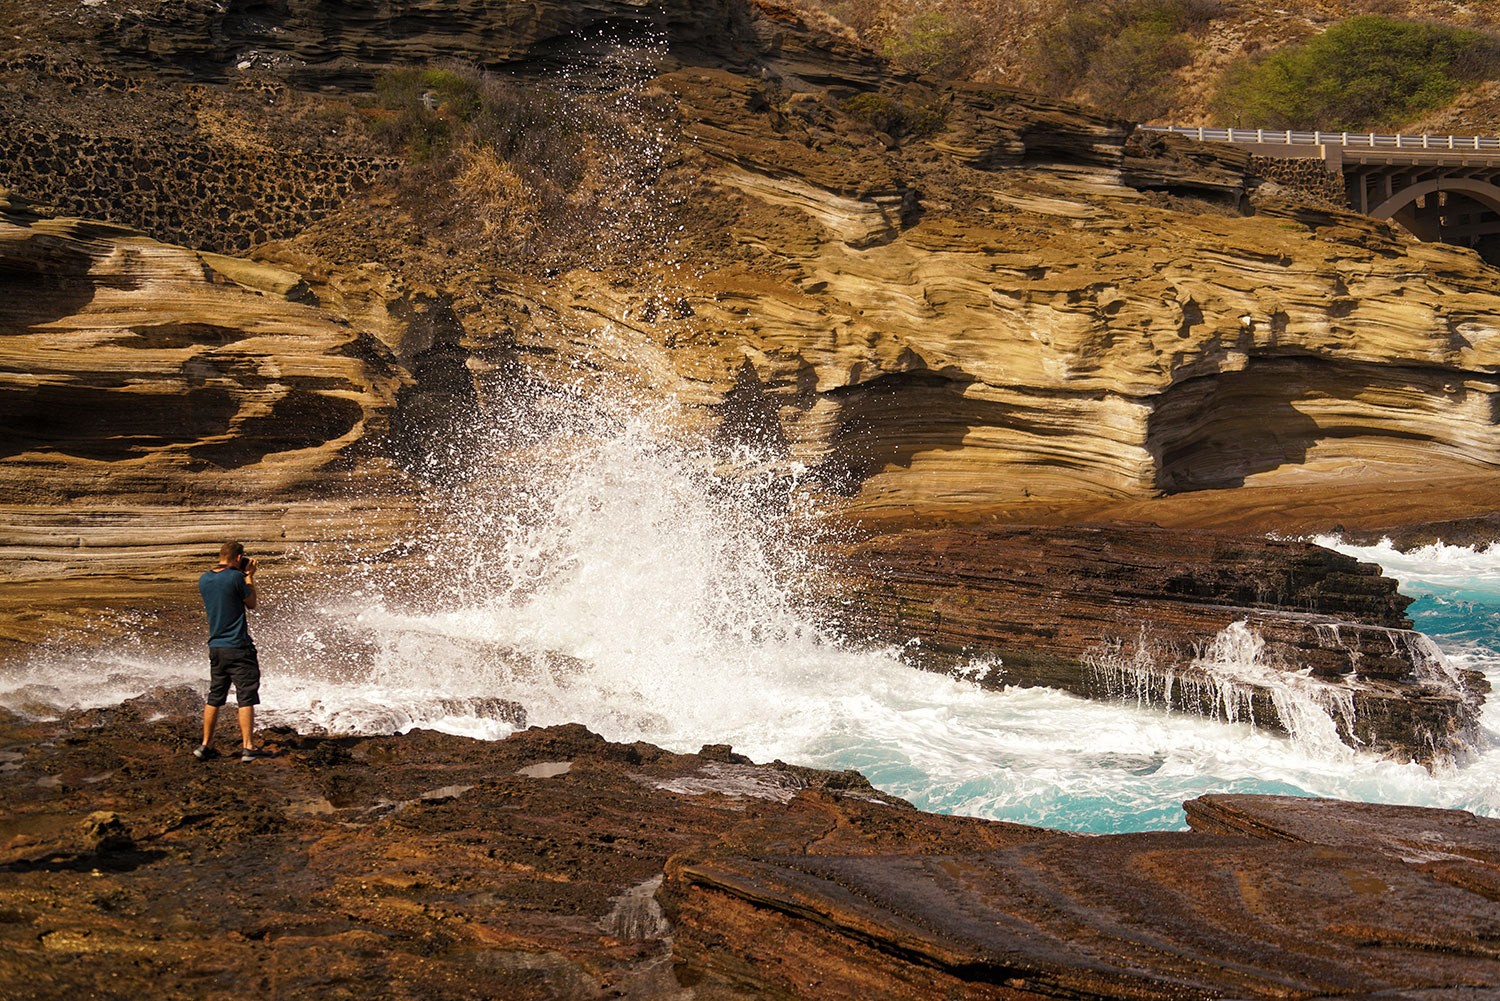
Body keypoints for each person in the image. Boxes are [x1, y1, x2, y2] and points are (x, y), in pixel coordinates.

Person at [193, 541, 271, 763]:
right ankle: (248, 747)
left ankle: (205, 744)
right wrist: (249, 576)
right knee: (245, 696)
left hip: (216, 646)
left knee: (215, 696)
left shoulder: (204, 579)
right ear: (238, 558)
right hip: (238, 646)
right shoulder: (236, 577)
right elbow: (252, 603)